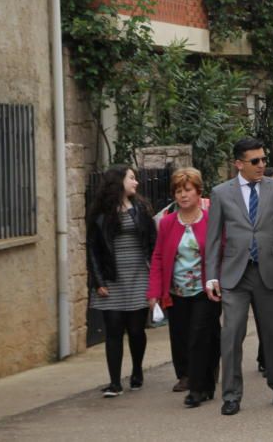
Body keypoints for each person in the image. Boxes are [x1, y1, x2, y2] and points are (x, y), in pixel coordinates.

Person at [205, 137, 273, 416]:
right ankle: (231, 395)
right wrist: (211, 276)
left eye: (263, 159)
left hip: (270, 269)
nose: (262, 165)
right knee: (231, 333)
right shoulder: (221, 193)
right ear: (238, 164)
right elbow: (212, 239)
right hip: (235, 274)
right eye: (255, 161)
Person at [147, 167, 220, 407]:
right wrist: (154, 292)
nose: (183, 195)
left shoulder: (211, 220)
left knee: (199, 337)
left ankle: (196, 389)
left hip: (205, 290)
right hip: (176, 292)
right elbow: (158, 256)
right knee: (183, 337)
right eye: (178, 191)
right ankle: (206, 382)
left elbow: (223, 252)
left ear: (198, 192)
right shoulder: (167, 223)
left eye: (187, 190)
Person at [87, 164, 157, 398]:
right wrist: (98, 281)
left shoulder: (141, 209)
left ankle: (137, 370)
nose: (136, 183)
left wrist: (154, 278)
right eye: (131, 178)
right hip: (111, 278)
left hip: (139, 274)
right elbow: (93, 250)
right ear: (118, 181)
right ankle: (115, 382)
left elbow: (152, 244)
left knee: (136, 330)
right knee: (114, 331)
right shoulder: (100, 213)